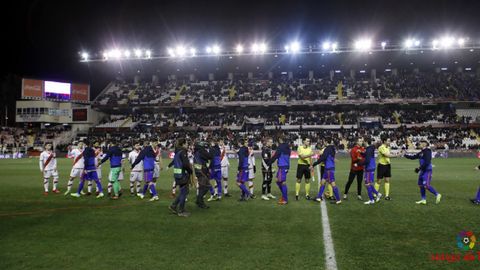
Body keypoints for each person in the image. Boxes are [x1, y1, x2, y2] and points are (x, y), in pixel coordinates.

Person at [404, 140, 442, 205]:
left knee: (426, 185)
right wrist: (405, 155)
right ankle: (423, 199)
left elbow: (427, 162)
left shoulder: (427, 151)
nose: (419, 144)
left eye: (421, 143)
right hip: (422, 171)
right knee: (421, 185)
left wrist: (419, 168)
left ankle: (437, 194)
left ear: (424, 144)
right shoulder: (421, 152)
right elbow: (413, 157)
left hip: (427, 170)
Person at [169, 138, 195, 217]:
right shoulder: (183, 152)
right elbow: (185, 164)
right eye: (186, 143)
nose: (187, 145)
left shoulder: (177, 151)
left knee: (183, 192)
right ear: (183, 144)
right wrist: (190, 171)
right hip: (183, 175)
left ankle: (173, 206)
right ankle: (181, 211)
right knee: (184, 192)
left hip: (178, 174)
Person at [312, 137, 341, 204]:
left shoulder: (327, 149)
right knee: (323, 182)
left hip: (328, 168)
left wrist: (314, 164)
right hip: (329, 167)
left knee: (333, 184)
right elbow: (330, 157)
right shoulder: (332, 148)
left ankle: (338, 199)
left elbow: (323, 158)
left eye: (324, 141)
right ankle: (318, 197)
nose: (323, 142)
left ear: (325, 141)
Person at [358, 137, 382, 205]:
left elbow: (367, 160)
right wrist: (362, 153)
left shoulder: (369, 149)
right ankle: (378, 194)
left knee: (367, 184)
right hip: (371, 167)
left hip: (369, 168)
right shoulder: (369, 148)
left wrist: (358, 163)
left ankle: (371, 200)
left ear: (365, 142)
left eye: (363, 141)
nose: (362, 143)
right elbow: (366, 155)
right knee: (369, 183)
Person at [269, 135, 291, 205]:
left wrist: (269, 162)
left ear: (280, 139)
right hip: (285, 165)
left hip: (282, 166)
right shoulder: (287, 146)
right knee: (277, 180)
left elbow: (275, 156)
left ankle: (285, 199)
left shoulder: (280, 147)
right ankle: (284, 195)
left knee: (282, 182)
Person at [193, 140, 214, 208]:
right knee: (206, 186)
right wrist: (211, 149)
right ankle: (199, 201)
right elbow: (210, 156)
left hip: (198, 171)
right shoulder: (201, 151)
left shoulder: (197, 152)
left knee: (202, 187)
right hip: (202, 171)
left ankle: (200, 202)